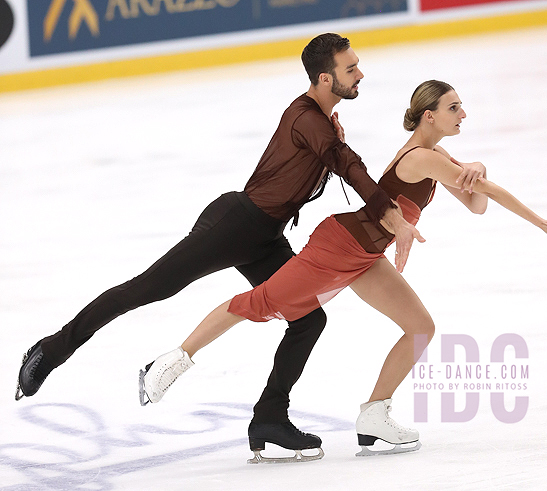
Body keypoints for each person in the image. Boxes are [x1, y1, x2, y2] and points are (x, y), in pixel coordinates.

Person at [16, 34, 461, 460]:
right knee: (148, 288)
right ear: (326, 78)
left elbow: (340, 160)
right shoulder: (306, 116)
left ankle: (269, 417)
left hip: (265, 236)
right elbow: (347, 165)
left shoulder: (325, 120)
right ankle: (51, 350)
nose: (360, 73)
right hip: (235, 224)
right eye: (351, 67)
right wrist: (390, 214)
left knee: (308, 320)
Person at [140, 80, 547, 460]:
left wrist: (475, 169)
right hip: (338, 246)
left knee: (419, 327)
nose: (463, 114)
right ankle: (172, 361)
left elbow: (476, 202)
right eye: (454, 107)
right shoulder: (424, 157)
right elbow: (490, 194)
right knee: (261, 302)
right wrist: (544, 225)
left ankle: (375, 416)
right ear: (430, 115)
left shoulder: (435, 154)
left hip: (365, 256)